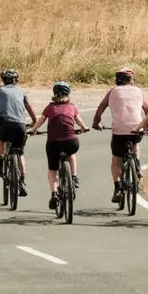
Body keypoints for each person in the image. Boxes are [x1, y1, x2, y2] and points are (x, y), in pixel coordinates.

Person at [92, 67, 146, 206]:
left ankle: (117, 188)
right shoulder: (139, 91)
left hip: (119, 132)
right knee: (135, 144)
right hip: (136, 129)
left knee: (116, 158)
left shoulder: (113, 92)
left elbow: (101, 107)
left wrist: (96, 123)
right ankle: (138, 166)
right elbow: (147, 108)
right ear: (131, 79)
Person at [32, 79, 87, 209]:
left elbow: (41, 120)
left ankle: (54, 194)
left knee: (52, 169)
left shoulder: (50, 107)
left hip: (53, 143)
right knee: (71, 154)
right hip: (71, 142)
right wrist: (84, 127)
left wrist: (33, 129)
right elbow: (79, 120)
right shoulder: (72, 106)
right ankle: (73, 178)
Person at [0, 68, 36, 182]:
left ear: (3, 80)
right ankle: (22, 180)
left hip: (4, 123)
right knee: (20, 152)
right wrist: (34, 120)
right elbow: (29, 107)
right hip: (20, 124)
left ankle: (0, 164)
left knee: (1, 139)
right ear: (16, 80)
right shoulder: (20, 91)